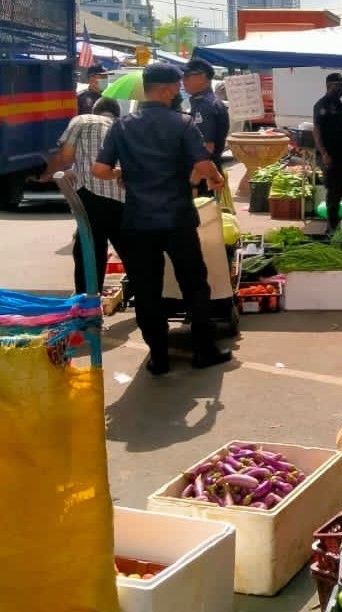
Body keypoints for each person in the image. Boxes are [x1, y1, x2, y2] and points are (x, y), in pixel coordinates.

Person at [93, 62, 232, 376]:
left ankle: (159, 356)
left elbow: (100, 170)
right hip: (177, 218)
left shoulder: (122, 126)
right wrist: (216, 178)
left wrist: (124, 173)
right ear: (168, 89)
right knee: (194, 284)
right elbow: (203, 164)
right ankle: (204, 351)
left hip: (138, 221)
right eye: (176, 86)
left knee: (146, 289)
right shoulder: (182, 123)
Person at [39, 97, 127, 295]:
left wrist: (45, 175)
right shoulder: (124, 126)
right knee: (129, 252)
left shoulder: (83, 120)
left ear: (95, 110)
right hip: (123, 198)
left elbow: (66, 156)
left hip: (92, 194)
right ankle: (147, 300)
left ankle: (87, 301)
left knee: (88, 250)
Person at [182, 58, 230, 196]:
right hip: (208, 174)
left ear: (202, 77)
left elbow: (206, 149)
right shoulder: (207, 102)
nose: (183, 80)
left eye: (187, 76)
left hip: (203, 178)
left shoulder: (205, 106)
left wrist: (193, 183)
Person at [313, 73, 342, 235]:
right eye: (338, 86)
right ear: (329, 86)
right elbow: (317, 131)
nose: (341, 89)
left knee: (339, 188)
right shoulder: (321, 105)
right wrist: (324, 154)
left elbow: (340, 128)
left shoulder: (340, 105)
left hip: (339, 152)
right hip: (327, 154)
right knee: (333, 188)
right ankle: (331, 226)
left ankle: (334, 222)